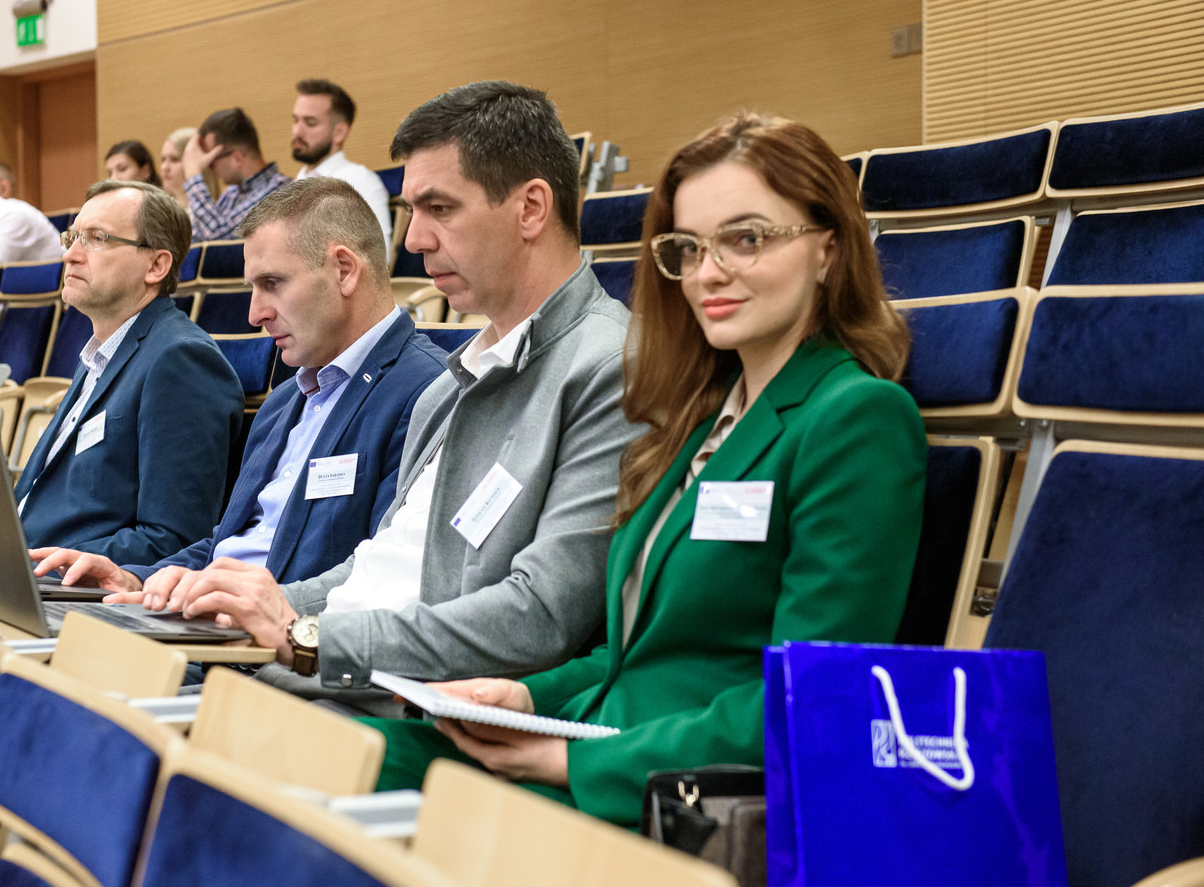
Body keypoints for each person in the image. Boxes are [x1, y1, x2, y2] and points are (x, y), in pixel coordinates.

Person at [365, 113, 928, 826]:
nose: (709, 272)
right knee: (341, 749)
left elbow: (809, 699)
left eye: (746, 239)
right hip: (596, 739)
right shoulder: (702, 415)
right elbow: (636, 653)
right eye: (689, 248)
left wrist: (570, 761)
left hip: (678, 794)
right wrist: (527, 697)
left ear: (829, 248)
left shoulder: (856, 418)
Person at [139, 81, 641, 715]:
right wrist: (262, 607)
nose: (414, 240)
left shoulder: (609, 367)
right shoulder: (453, 382)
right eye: (411, 210)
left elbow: (541, 616)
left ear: (532, 208)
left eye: (439, 208)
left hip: (395, 704)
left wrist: (304, 637)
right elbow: (377, 569)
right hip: (326, 674)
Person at [28, 177, 447, 588]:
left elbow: (382, 579)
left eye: (272, 284)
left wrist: (264, 610)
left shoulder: (428, 392)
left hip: (283, 630)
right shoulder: (283, 402)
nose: (254, 314)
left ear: (344, 270)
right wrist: (135, 578)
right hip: (210, 616)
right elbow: (225, 546)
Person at [13, 179, 243, 562]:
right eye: (72, 237)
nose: (71, 255)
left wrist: (54, 564)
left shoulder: (181, 360)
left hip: (74, 587)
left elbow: (173, 540)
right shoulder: (98, 354)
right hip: (17, 572)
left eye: (97, 238)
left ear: (156, 265)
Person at [291, 78, 392, 247]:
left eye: (310, 123)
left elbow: (379, 256)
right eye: (296, 120)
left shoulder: (359, 181)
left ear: (339, 132)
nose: (297, 131)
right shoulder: (296, 183)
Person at [182, 108, 290, 240]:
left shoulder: (280, 192)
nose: (209, 169)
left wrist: (193, 175)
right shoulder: (231, 193)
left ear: (237, 158)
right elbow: (197, 239)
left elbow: (217, 239)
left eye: (211, 162)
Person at [158, 127, 214, 207]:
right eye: (163, 160)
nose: (164, 167)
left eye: (174, 159)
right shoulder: (160, 208)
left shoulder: (210, 210)